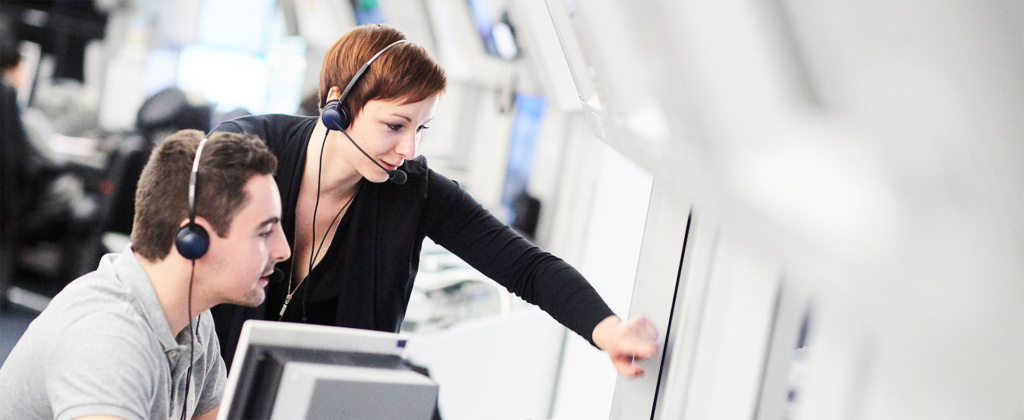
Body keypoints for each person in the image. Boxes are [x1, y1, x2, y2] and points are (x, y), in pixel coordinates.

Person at [211, 23, 659, 377]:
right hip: (208, 395)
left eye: (420, 129)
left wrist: (609, 330)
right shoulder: (245, 149)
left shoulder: (410, 189)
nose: (409, 150)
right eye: (395, 126)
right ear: (337, 106)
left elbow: (527, 268)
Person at [0, 130, 291, 419]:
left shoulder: (194, 320)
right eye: (265, 232)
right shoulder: (107, 339)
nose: (283, 250)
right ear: (193, 239)